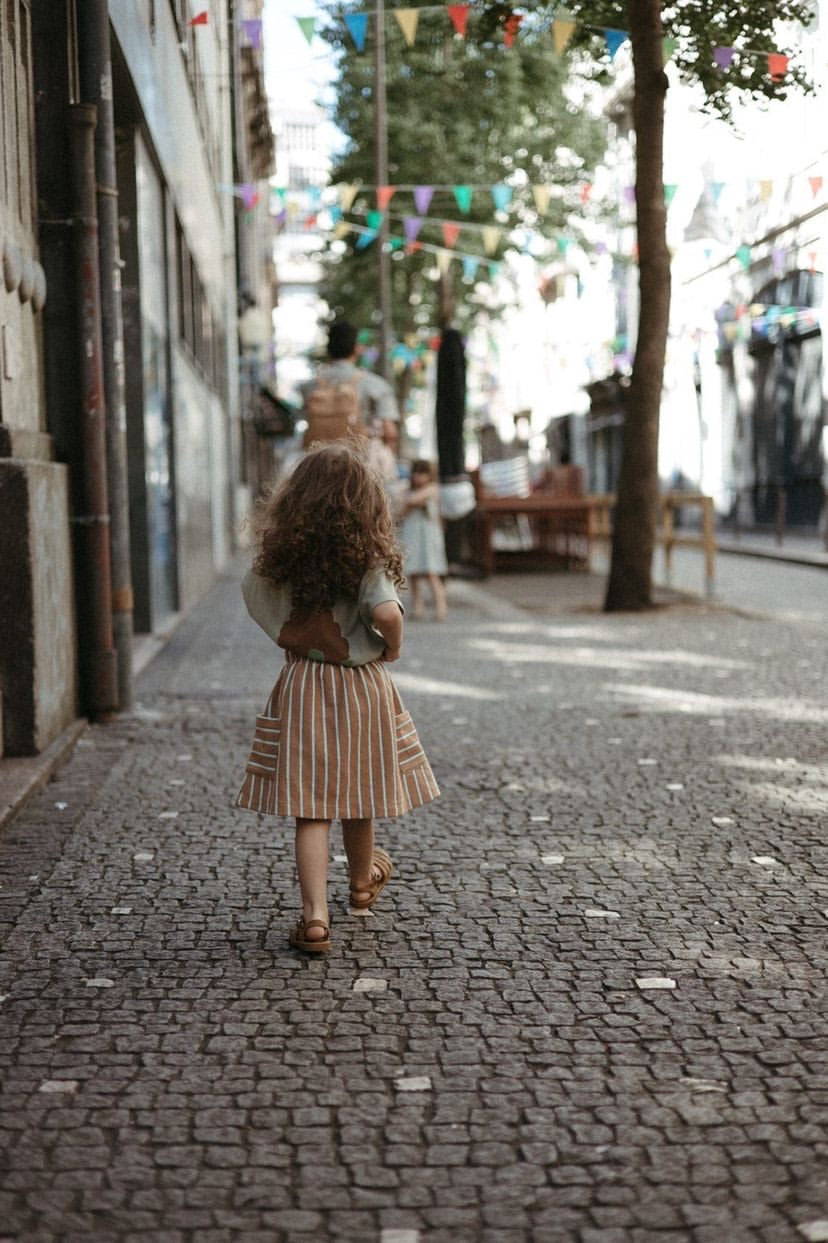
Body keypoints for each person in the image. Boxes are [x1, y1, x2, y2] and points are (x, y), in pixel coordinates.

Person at [235, 441, 440, 954]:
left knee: (312, 808)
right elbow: (388, 614)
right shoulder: (363, 561)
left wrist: (297, 639)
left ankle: (315, 917)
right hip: (363, 686)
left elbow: (253, 593)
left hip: (304, 684)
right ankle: (361, 886)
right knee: (361, 794)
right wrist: (392, 647)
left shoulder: (286, 563)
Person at [302, 319, 400, 458]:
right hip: (359, 462)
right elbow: (389, 432)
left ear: (328, 350)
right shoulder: (375, 384)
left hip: (318, 462)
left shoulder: (309, 386)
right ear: (357, 348)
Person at [399, 459, 448, 621]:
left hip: (428, 536)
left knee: (431, 571)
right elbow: (402, 510)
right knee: (413, 572)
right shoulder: (409, 491)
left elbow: (412, 501)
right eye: (415, 472)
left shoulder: (432, 489)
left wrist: (409, 500)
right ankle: (417, 606)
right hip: (413, 533)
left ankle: (441, 606)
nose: (417, 476)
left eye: (421, 473)